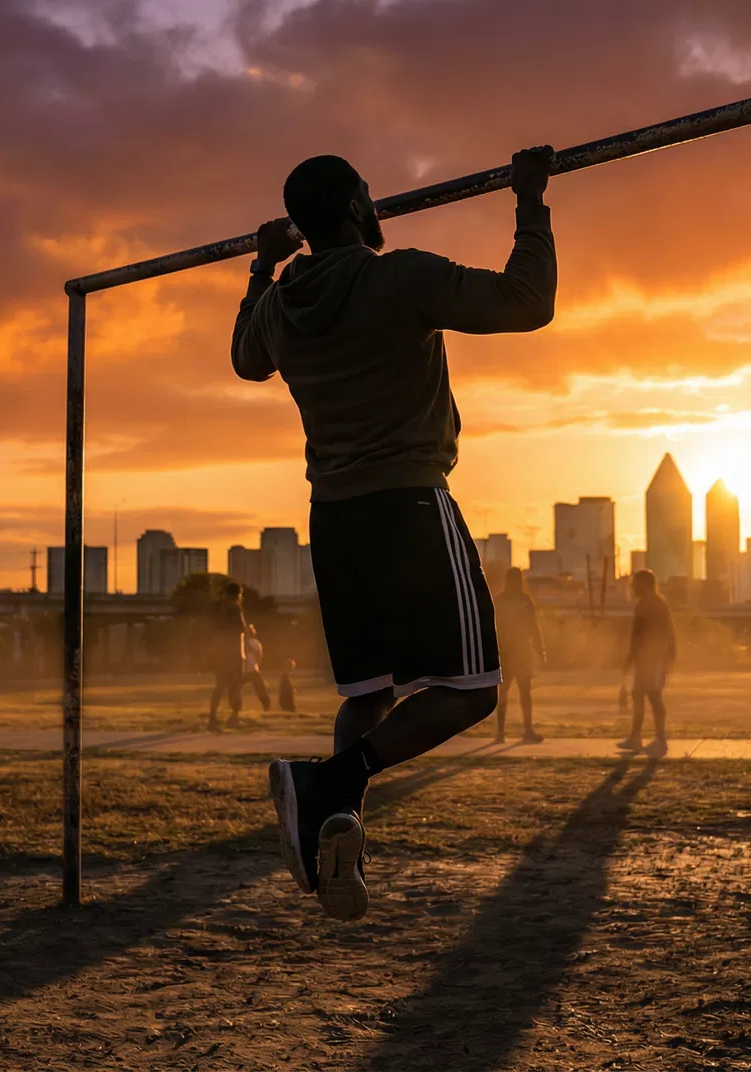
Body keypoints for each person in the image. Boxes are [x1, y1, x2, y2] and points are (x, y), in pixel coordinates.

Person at [232, 145, 557, 920]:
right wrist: (530, 202)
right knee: (476, 690)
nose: (378, 208)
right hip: (410, 505)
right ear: (354, 210)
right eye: (369, 197)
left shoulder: (280, 305)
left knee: (367, 692)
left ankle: (340, 822)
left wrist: (260, 268)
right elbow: (527, 302)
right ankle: (334, 785)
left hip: (335, 521)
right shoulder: (395, 276)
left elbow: (246, 362)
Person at [620, 569, 675, 756]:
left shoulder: (644, 605)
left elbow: (637, 636)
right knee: (645, 695)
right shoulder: (660, 603)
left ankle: (654, 739)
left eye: (635, 583)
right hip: (655, 657)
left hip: (649, 658)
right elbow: (670, 632)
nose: (632, 586)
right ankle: (642, 737)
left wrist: (630, 657)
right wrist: (670, 656)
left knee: (649, 696)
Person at [493, 566, 545, 744]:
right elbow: (491, 629)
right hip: (507, 654)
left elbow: (533, 627)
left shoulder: (522, 600)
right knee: (505, 693)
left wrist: (540, 649)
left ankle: (526, 730)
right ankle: (501, 732)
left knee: (524, 692)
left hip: (520, 653)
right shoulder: (502, 601)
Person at [207, 582, 249, 732]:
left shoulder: (219, 608)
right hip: (233, 652)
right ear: (238, 594)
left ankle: (212, 717)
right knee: (235, 686)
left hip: (219, 651)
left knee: (220, 685)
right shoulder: (235, 607)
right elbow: (243, 628)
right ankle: (234, 717)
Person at [242, 624, 273, 712]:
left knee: (260, 689)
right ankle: (266, 706)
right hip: (250, 670)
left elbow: (259, 657)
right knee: (261, 690)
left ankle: (266, 706)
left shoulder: (249, 643)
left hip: (247, 670)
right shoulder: (252, 643)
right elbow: (260, 657)